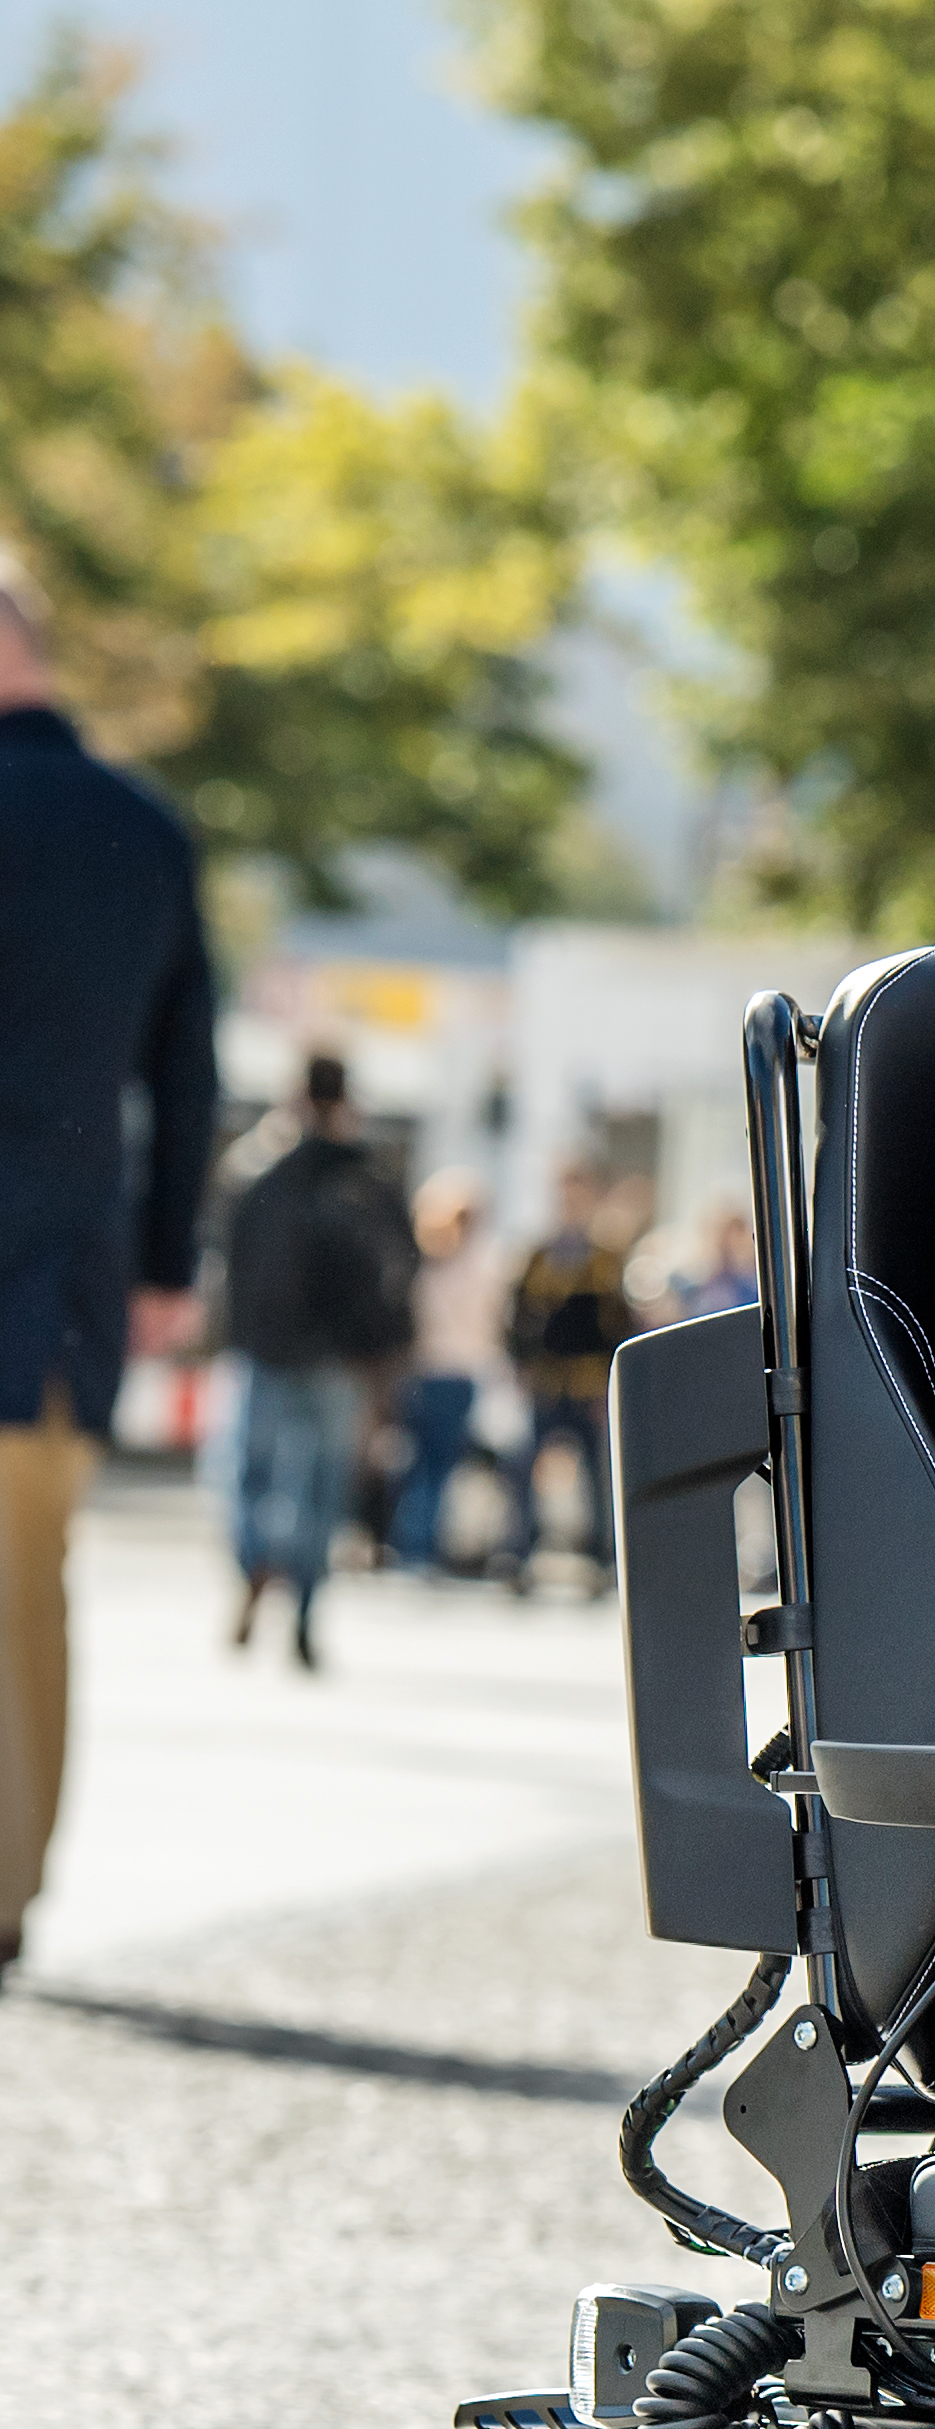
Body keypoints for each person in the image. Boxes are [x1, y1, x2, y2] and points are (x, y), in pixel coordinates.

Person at [0, 551, 216, 1973]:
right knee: (30, 1584)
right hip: (60, 1280)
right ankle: (9, 1890)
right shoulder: (143, 828)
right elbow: (186, 1070)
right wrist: (155, 1263)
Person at [219, 1054, 420, 1669]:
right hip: (343, 1359)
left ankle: (259, 1561)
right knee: (322, 1489)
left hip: (268, 1349)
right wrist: (387, 1355)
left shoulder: (258, 1171)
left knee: (248, 1475)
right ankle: (305, 1602)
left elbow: (229, 1262)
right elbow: (403, 1266)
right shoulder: (368, 1179)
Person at [504, 1160, 637, 1584]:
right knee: (524, 1467)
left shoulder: (605, 1259)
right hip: (547, 1381)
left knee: (598, 1475)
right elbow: (519, 1317)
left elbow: (618, 1325)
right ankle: (518, 1552)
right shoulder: (538, 1256)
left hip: (588, 1382)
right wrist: (522, 1367)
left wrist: (610, 1383)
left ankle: (604, 1558)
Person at [392, 1170, 506, 1571]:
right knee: (436, 1464)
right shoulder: (481, 1266)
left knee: (422, 1462)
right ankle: (419, 1545)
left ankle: (413, 1543)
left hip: (426, 1371)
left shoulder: (425, 1262)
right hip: (452, 1373)